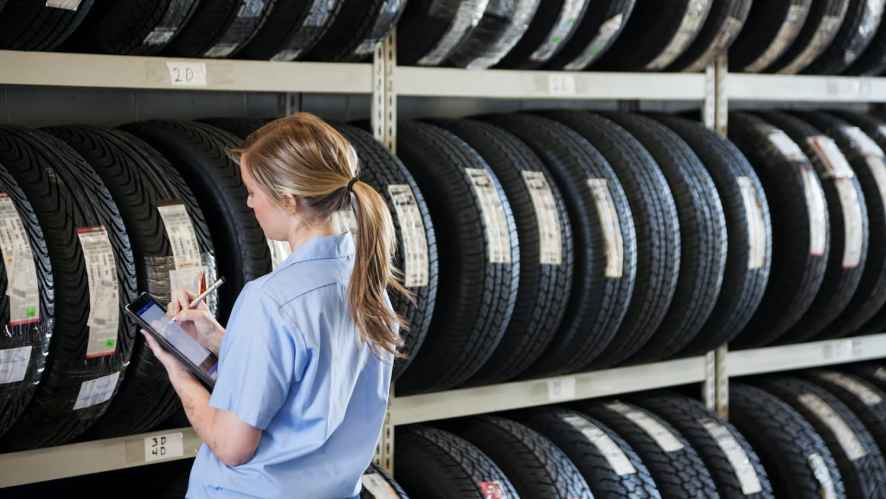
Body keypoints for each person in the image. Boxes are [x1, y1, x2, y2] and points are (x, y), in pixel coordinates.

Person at [143, 112, 408, 499]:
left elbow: (231, 445)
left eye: (252, 191)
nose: (248, 203)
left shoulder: (269, 300)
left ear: (288, 200)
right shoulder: (368, 287)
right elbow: (306, 374)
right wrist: (219, 338)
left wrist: (176, 370)